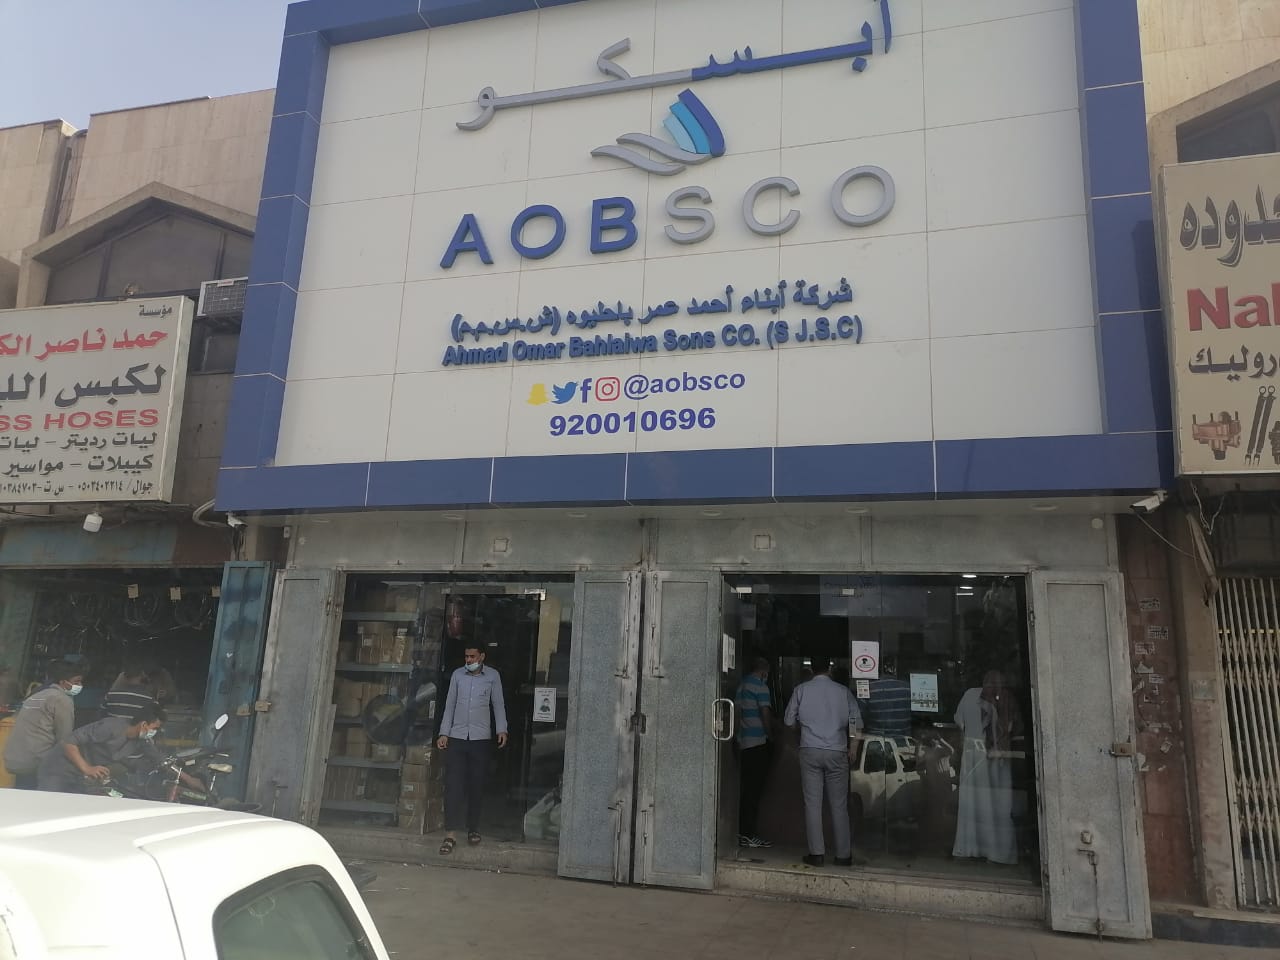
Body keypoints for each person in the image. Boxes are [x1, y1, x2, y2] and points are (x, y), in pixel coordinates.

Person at [784, 659, 863, 867]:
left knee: (812, 804)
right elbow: (856, 723)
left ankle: (816, 854)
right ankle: (843, 855)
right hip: (837, 750)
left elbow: (789, 721)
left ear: (811, 669)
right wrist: (853, 748)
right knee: (839, 805)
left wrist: (801, 733)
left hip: (810, 749)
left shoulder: (801, 689)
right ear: (830, 668)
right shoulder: (843, 691)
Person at [37, 702, 201, 795]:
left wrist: (188, 779)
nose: (155, 733)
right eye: (155, 728)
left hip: (79, 776)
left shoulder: (141, 742)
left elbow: (160, 760)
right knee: (49, 808)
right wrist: (87, 768)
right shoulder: (111, 727)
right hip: (57, 769)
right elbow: (68, 742)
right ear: (144, 724)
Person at [435, 645, 507, 855]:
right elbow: (449, 705)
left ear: (482, 656)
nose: (468, 660)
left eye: (472, 656)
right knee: (453, 786)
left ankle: (473, 828)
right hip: (457, 737)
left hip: (480, 738)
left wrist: (502, 729)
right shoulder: (458, 675)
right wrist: (444, 733)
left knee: (476, 785)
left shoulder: (492, 676)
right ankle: (450, 834)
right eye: (466, 656)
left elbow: (498, 705)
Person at [952, 670, 1021, 864]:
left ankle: (970, 848)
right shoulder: (1002, 698)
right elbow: (1009, 729)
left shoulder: (970, 695)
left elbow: (959, 722)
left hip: (975, 754)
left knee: (976, 802)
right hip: (991, 756)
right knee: (997, 803)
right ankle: (997, 852)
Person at [3, 661, 84, 790]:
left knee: (23, 794)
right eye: (76, 681)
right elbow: (65, 738)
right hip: (38, 763)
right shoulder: (61, 699)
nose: (80, 685)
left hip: (16, 759)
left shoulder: (36, 695)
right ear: (63, 682)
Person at [734, 657, 774, 848]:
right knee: (754, 791)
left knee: (746, 789)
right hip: (758, 742)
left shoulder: (742, 685)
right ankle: (748, 833)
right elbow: (765, 713)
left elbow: (736, 714)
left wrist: (736, 737)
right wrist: (771, 735)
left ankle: (742, 832)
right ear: (764, 670)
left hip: (743, 742)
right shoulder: (760, 687)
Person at [856, 659, 912, 737]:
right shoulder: (908, 688)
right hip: (903, 740)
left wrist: (855, 738)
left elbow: (858, 718)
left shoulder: (868, 689)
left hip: (875, 740)